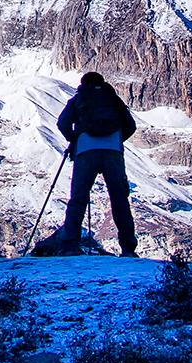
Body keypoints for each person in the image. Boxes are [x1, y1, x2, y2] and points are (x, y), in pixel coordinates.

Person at [38, 71, 138, 256]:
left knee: (78, 198)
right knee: (119, 199)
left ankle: (70, 246)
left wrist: (75, 139)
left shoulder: (79, 99)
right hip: (113, 152)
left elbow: (63, 123)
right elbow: (131, 126)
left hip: (85, 151)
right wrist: (116, 140)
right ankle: (128, 248)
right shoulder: (113, 99)